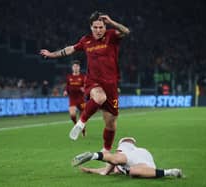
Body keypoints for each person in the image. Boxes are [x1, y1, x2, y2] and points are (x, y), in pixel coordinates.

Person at [40, 11, 130, 151]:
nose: (98, 30)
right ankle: (81, 123)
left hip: (111, 84)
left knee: (111, 123)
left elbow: (126, 31)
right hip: (93, 81)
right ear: (91, 27)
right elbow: (70, 49)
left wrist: (111, 22)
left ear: (105, 27)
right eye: (95, 27)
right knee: (99, 97)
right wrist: (52, 54)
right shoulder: (86, 41)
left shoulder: (112, 36)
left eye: (101, 27)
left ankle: (106, 150)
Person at [72, 137, 183, 178]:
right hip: (137, 157)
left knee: (124, 165)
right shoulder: (118, 161)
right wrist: (89, 170)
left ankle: (168, 172)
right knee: (131, 170)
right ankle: (94, 155)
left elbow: (109, 167)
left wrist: (105, 172)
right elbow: (107, 168)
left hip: (137, 156)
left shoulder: (121, 154)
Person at [63, 60, 86, 136]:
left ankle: (83, 130)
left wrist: (84, 89)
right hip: (72, 98)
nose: (75, 68)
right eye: (74, 66)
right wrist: (65, 91)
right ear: (72, 68)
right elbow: (67, 86)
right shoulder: (69, 77)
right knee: (72, 115)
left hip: (81, 99)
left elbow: (86, 86)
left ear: (79, 68)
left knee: (82, 116)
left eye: (77, 66)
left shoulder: (83, 77)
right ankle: (77, 126)